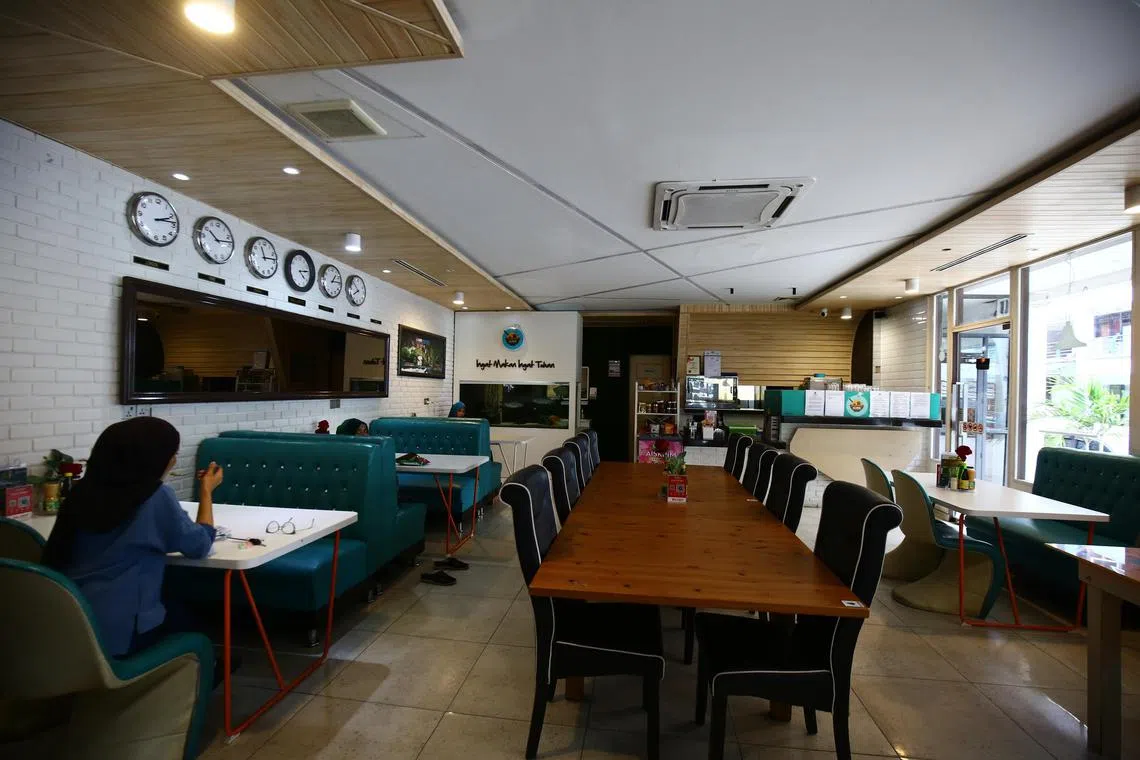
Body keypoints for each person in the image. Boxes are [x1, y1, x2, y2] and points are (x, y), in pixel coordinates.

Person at [42, 417, 223, 658]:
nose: (173, 460)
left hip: (69, 620)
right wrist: (206, 491)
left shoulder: (81, 492)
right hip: (120, 632)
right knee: (192, 621)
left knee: (175, 606)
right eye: (172, 454)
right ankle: (204, 667)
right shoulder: (155, 497)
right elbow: (199, 545)